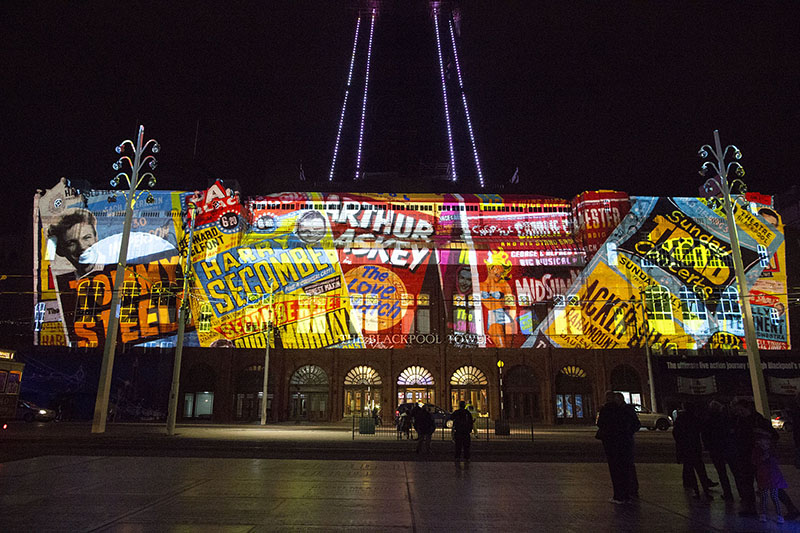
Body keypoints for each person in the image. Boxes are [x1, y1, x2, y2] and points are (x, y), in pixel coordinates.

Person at [596, 391, 640, 503]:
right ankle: (630, 492)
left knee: (616, 469)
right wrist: (628, 433)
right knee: (627, 467)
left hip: (613, 445)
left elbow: (601, 424)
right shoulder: (625, 410)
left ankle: (620, 496)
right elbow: (635, 425)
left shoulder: (608, 410)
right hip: (626, 443)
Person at [673, 402, 716, 499]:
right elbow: (702, 430)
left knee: (691, 471)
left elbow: (676, 434)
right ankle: (705, 490)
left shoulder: (681, 419)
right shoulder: (696, 419)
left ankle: (696, 491)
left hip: (686, 448)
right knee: (700, 469)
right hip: (695, 447)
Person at [47, 208, 98, 278]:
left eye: (87, 238)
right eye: (71, 243)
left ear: (96, 238)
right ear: (60, 251)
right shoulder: (61, 282)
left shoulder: (116, 269)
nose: (82, 247)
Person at [752, 427, 787, 523]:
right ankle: (763, 514)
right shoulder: (757, 450)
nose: (764, 443)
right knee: (763, 496)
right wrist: (762, 458)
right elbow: (754, 461)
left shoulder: (771, 450)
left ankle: (779, 515)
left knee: (774, 496)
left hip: (773, 476)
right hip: (764, 475)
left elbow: (776, 460)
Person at [702, 400, 735, 501]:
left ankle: (728, 493)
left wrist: (707, 447)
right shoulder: (725, 419)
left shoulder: (708, 420)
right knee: (735, 471)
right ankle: (742, 493)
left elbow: (705, 435)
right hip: (727, 447)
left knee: (722, 473)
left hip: (715, 449)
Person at [451, 400, 474, 466]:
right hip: (466, 432)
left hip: (458, 431)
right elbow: (470, 422)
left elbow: (451, 417)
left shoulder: (457, 412)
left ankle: (457, 457)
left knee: (458, 445)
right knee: (466, 446)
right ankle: (466, 457)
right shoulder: (467, 413)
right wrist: (470, 429)